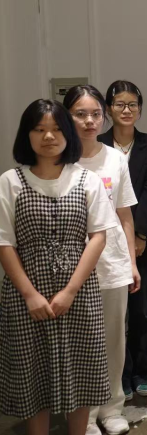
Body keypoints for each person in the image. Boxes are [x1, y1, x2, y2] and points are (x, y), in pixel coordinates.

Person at [0, 99, 117, 435]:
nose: (48, 136)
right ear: (27, 135)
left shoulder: (87, 179)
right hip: (26, 295)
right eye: (39, 129)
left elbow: (97, 238)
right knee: (31, 372)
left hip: (79, 292)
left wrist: (70, 291)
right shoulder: (10, 181)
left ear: (68, 134)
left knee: (82, 370)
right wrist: (30, 295)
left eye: (55, 129)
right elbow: (4, 243)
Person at [64, 85, 141, 435]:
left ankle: (112, 409)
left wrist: (131, 262)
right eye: (80, 114)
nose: (89, 121)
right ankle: (85, 414)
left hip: (112, 261)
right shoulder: (60, 160)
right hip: (71, 265)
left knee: (113, 338)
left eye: (95, 114)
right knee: (81, 342)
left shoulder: (115, 158)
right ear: (67, 117)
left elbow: (124, 214)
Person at [99, 80, 147, 400]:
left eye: (132, 104)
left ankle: (143, 369)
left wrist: (139, 235)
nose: (126, 110)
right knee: (114, 313)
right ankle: (119, 374)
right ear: (108, 108)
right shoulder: (97, 144)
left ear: (139, 109)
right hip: (105, 240)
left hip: (145, 237)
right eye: (119, 104)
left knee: (141, 310)